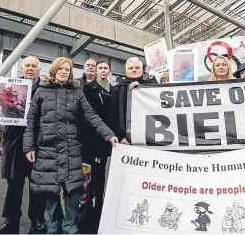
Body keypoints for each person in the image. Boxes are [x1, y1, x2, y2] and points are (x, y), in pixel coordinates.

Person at [23, 57, 118, 234]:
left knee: (73, 190)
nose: (64, 72)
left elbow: (92, 116)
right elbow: (31, 121)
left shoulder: (77, 92)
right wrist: (28, 147)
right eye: (61, 69)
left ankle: (69, 224)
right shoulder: (41, 92)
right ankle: (53, 224)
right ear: (54, 71)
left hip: (71, 148)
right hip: (47, 149)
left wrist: (109, 135)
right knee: (50, 191)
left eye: (67, 70)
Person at [0, 56, 47, 234]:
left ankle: (37, 219)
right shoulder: (11, 86)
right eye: (27, 66)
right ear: (22, 69)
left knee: (37, 183)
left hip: (38, 142)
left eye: (34, 66)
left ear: (39, 70)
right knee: (14, 182)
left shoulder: (46, 89)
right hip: (15, 140)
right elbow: (2, 111)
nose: (30, 68)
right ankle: (11, 221)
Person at [80, 58, 114, 233]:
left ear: (109, 71)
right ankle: (88, 211)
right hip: (90, 141)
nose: (101, 70)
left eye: (104, 68)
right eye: (99, 68)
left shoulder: (113, 90)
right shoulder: (87, 88)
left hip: (106, 141)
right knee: (88, 178)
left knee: (100, 177)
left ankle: (99, 210)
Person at [111, 57, 156, 145]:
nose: (134, 70)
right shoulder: (117, 89)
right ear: (126, 71)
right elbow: (113, 115)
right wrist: (120, 137)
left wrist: (143, 86)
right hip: (126, 139)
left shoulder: (150, 84)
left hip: (149, 137)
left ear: (142, 71)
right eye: (131, 68)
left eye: (137, 68)